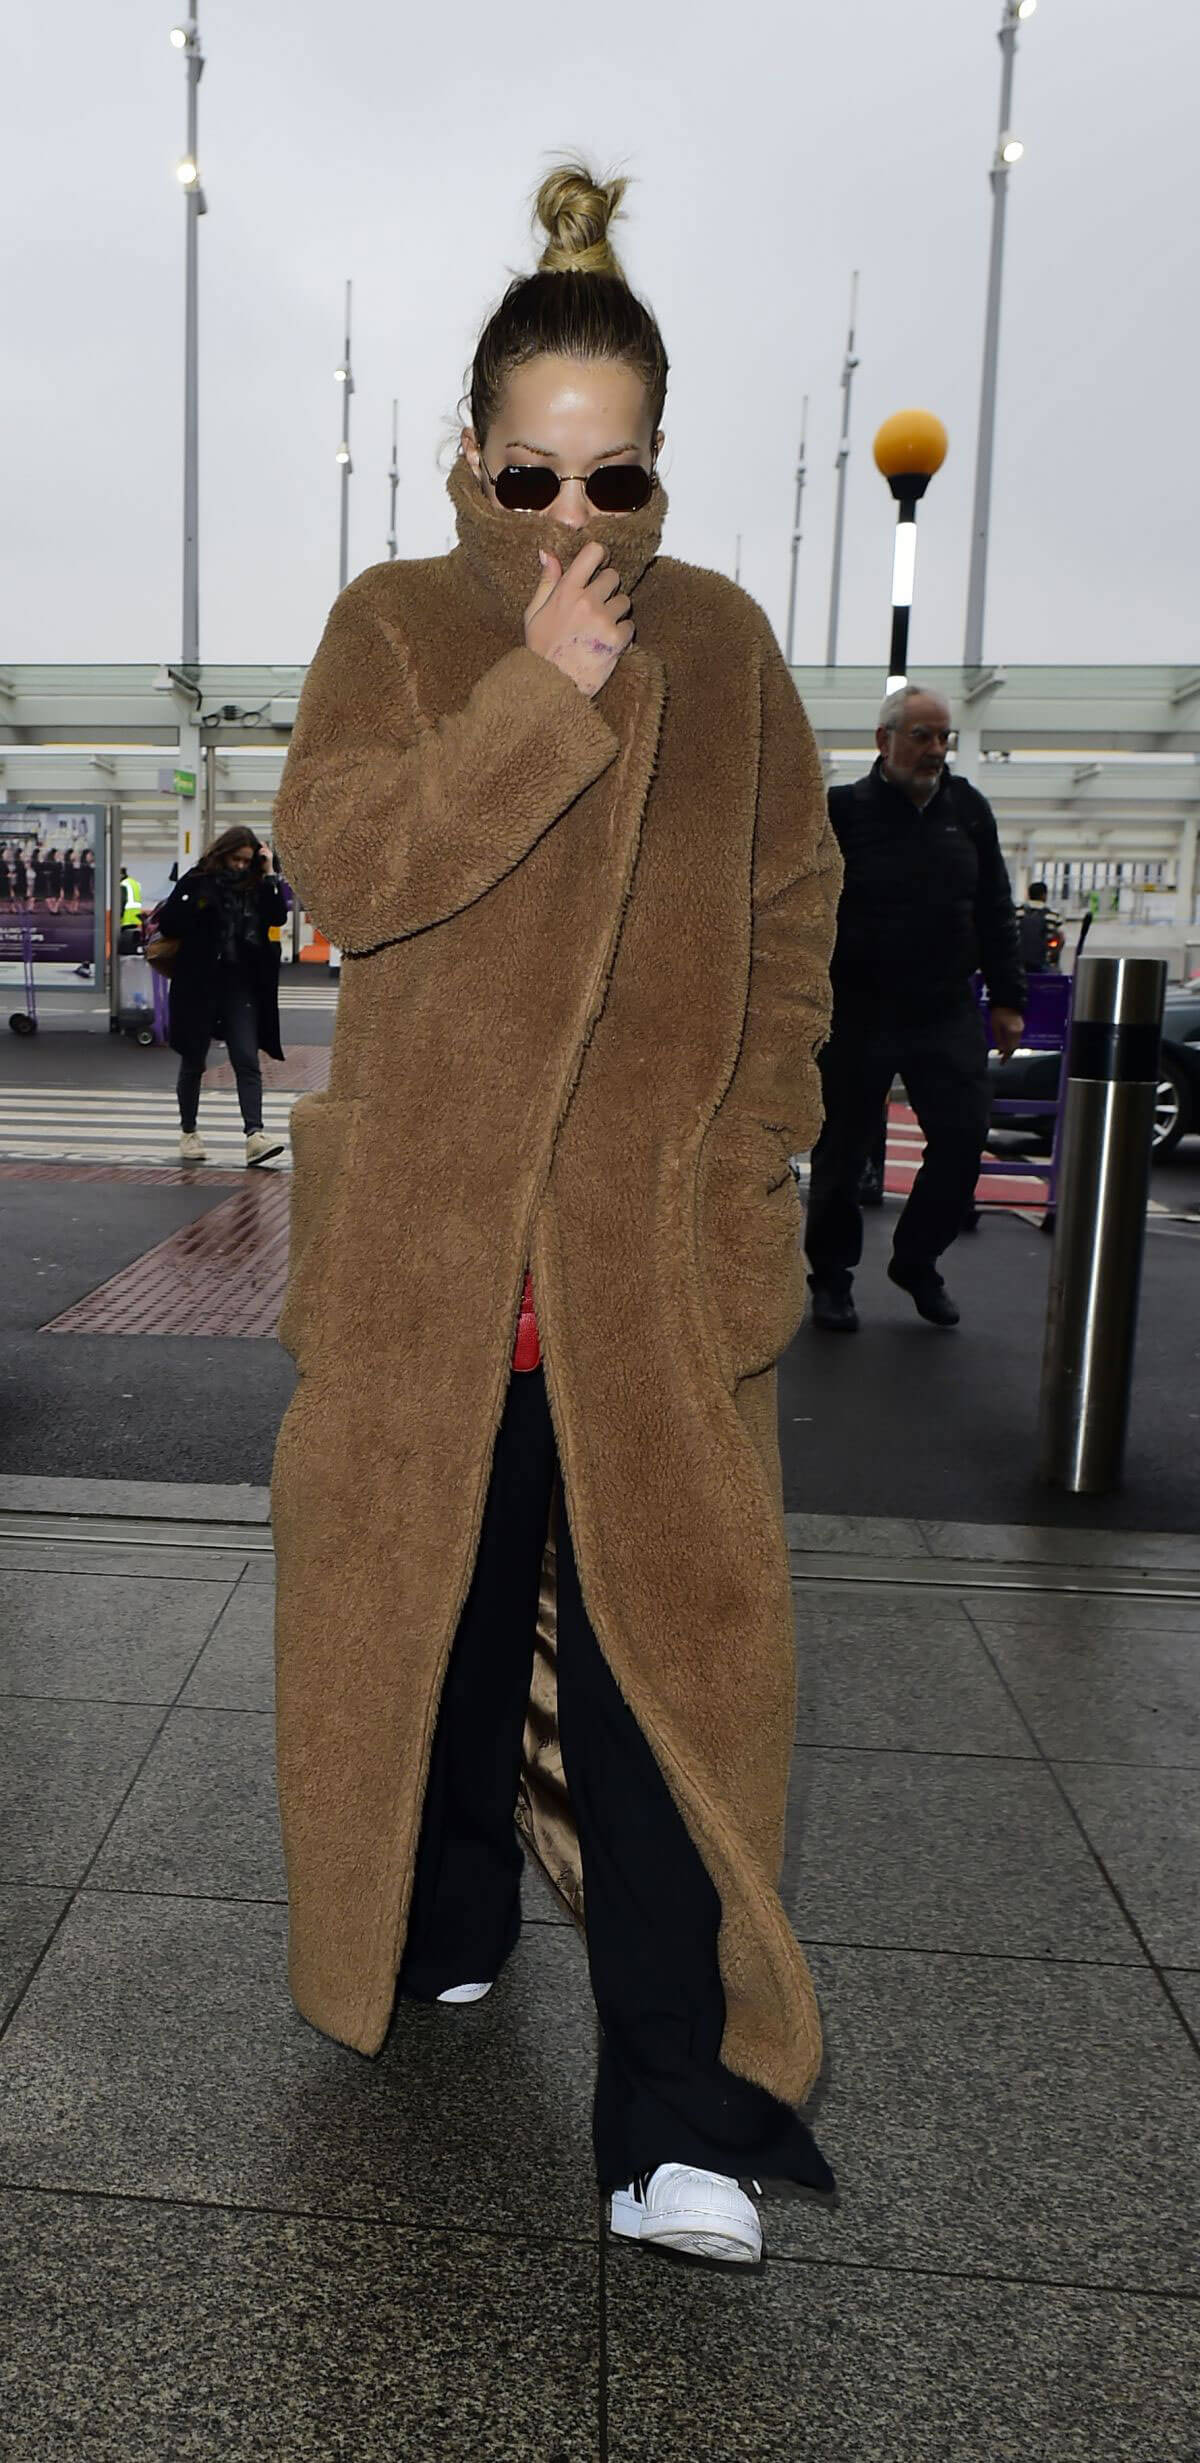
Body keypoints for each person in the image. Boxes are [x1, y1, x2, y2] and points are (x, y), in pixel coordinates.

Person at [270, 162, 841, 2272]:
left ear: (658, 463)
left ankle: (680, 2113)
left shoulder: (734, 645)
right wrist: (537, 695)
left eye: (614, 476)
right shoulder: (399, 627)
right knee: (421, 1644)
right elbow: (348, 867)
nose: (576, 520)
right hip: (438, 1274)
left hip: (639, 1290)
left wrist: (745, 1171)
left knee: (661, 1687)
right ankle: (440, 1915)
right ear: (470, 456)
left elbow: (794, 920)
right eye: (533, 474)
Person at [806, 684, 1026, 1333]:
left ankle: (917, 1259)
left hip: (943, 1007)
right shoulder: (842, 810)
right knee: (841, 1152)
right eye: (922, 736)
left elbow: (993, 908)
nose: (935, 750)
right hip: (857, 1007)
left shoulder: (969, 809)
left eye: (943, 737)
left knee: (962, 1136)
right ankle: (832, 1279)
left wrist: (1009, 999)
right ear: (884, 740)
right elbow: (806, 909)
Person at [156, 825, 289, 1167]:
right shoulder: (198, 881)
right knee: (194, 1060)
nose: (242, 866)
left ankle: (255, 1135)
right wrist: (196, 900)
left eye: (248, 861)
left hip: (240, 985)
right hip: (199, 985)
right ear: (223, 853)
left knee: (246, 1058)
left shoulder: (259, 886)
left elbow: (278, 915)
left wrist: (271, 871)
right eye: (236, 859)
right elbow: (170, 923)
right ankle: (189, 1131)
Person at [1018, 879, 1064, 973]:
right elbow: (1061, 938)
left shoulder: (1017, 912)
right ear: (1044, 895)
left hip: (1017, 963)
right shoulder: (1054, 915)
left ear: (1029, 895)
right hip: (1044, 964)